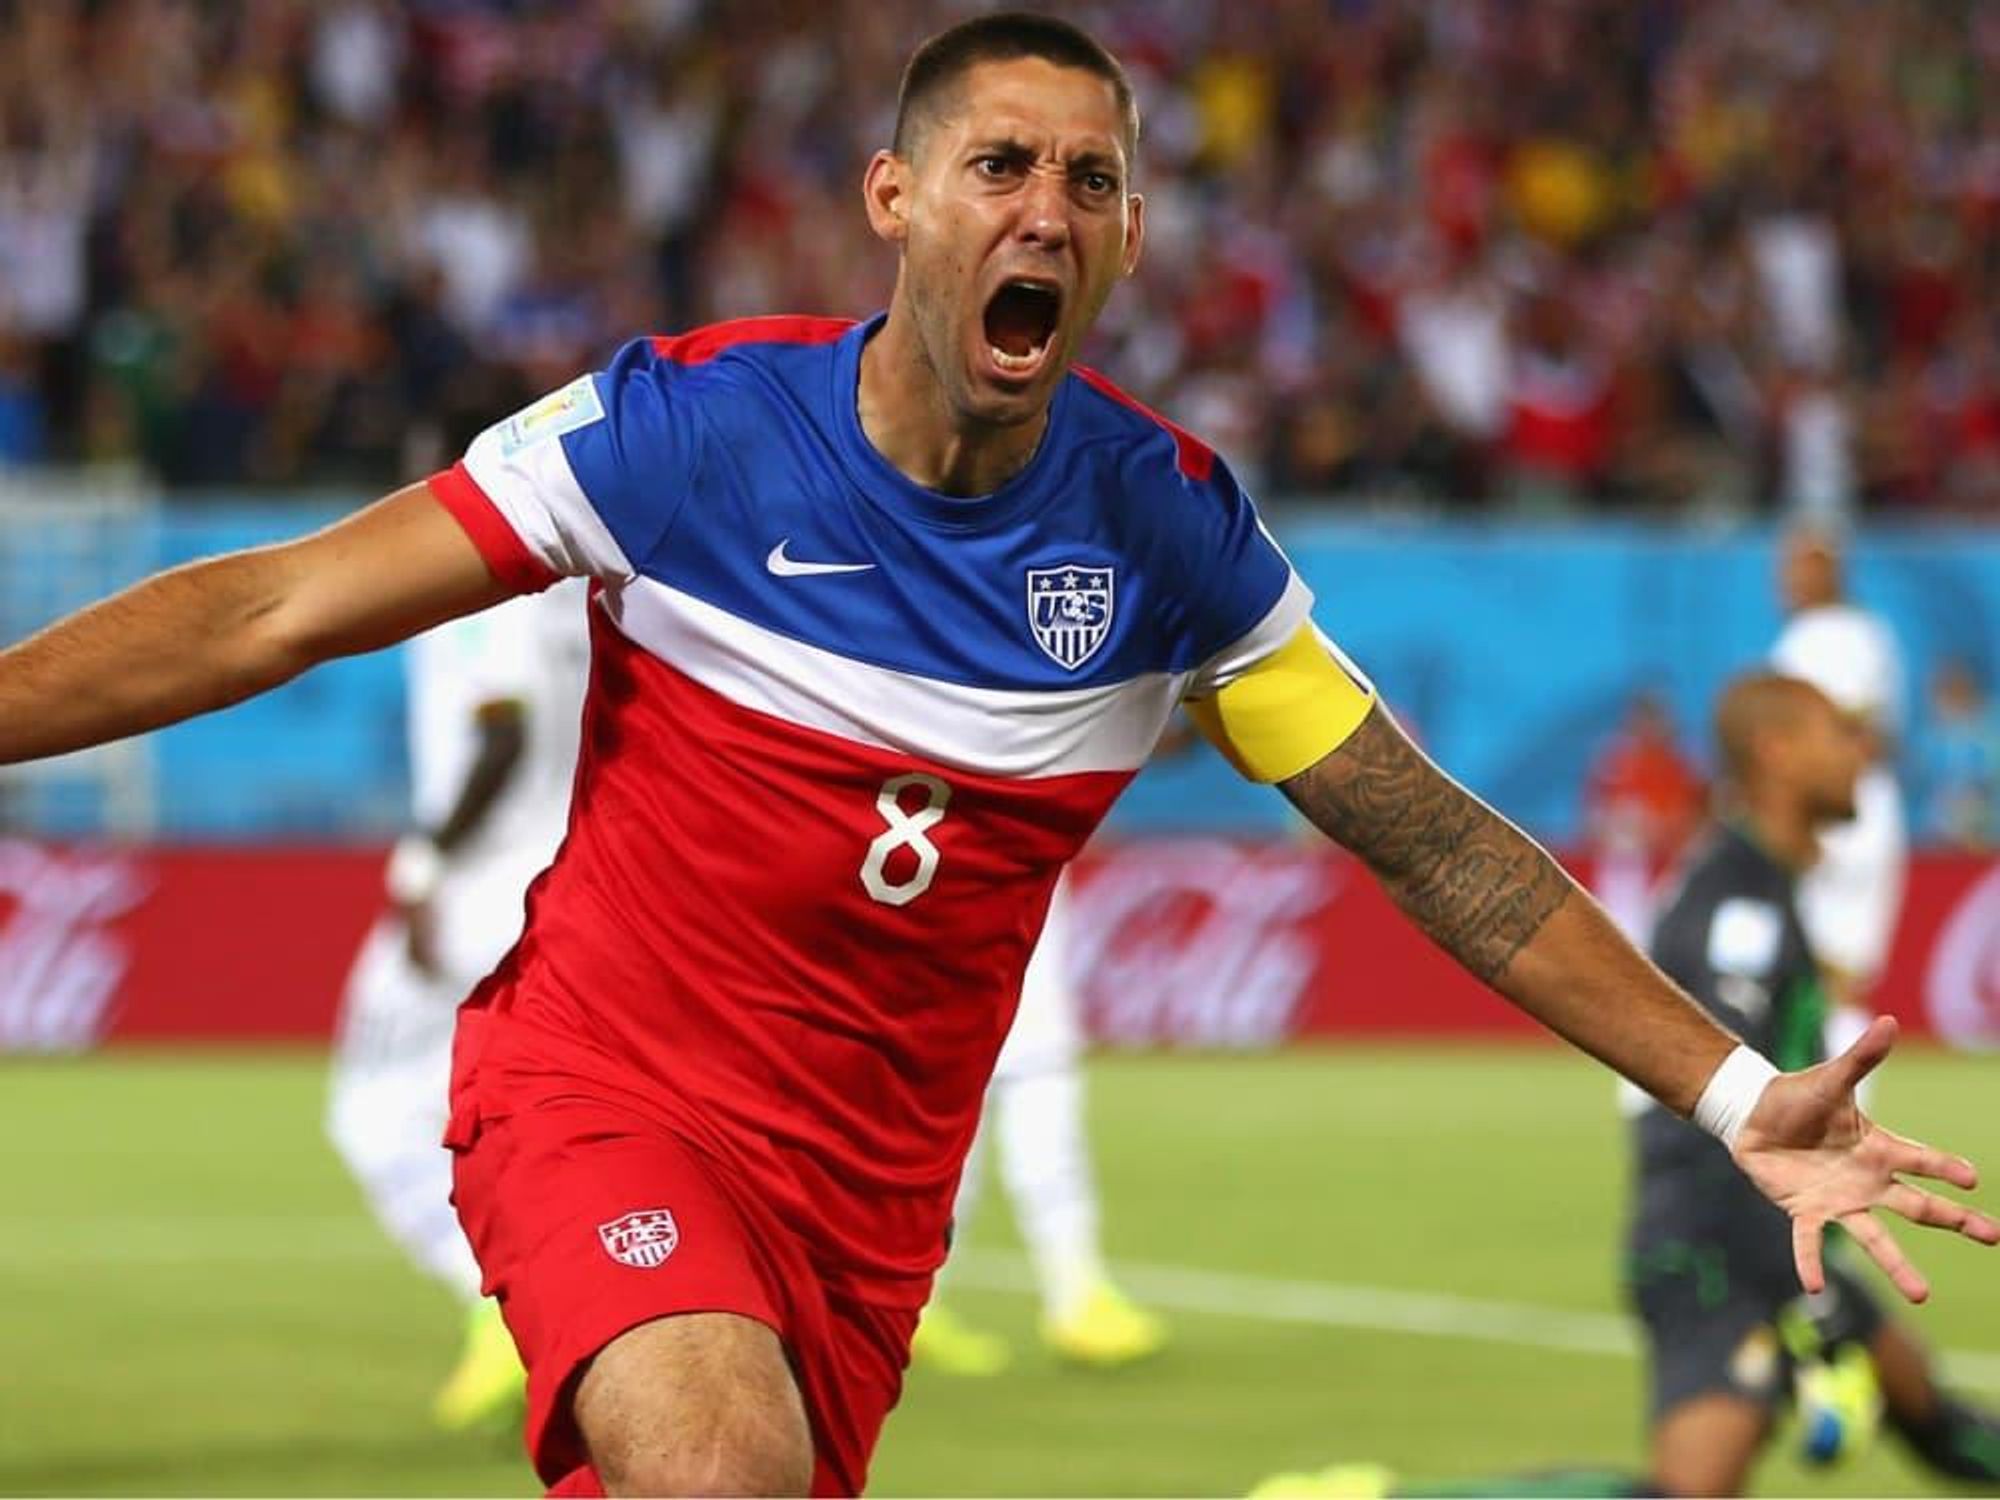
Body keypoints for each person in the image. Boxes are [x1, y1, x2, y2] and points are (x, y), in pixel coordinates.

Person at [0, 15, 1992, 1498]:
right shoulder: (677, 438)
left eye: (1089, 181)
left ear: (1124, 244)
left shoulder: (1173, 542)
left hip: (868, 1212)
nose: (1042, 207)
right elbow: (269, 606)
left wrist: (1738, 1089)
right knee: (720, 1474)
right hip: (600, 1092)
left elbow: (1434, 848)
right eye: (997, 165)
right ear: (896, 201)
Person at [1256, 672, 2000, 1499]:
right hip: (1719, 1246)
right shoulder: (1733, 904)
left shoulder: (1760, 885)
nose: (1862, 754)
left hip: (1778, 1242)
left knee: (1938, 1426)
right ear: (1776, 750)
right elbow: (1721, 1108)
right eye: (1840, 734)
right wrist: (1798, 1294)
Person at [326, 578, 589, 1432]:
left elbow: (502, 729)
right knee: (553, 1123)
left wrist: (426, 864)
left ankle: (504, 1308)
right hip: (574, 880)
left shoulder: (488, 596)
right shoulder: (589, 582)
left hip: (481, 891)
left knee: (374, 1114)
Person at [910, 872, 1167, 1375]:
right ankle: (1077, 1301)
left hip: (956, 1020)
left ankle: (921, 1307)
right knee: (1044, 1166)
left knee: (957, 1172)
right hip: (1020, 1022)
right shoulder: (1030, 809)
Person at [1770, 523, 1908, 1067]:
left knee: (1824, 974)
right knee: (1837, 978)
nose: (1784, 582)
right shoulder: (1873, 634)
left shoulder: (1815, 640)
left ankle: (1828, 1108)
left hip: (1831, 811)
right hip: (1865, 804)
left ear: (1827, 571)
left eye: (1796, 568)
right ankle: (1835, 1107)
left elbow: (1831, 735)